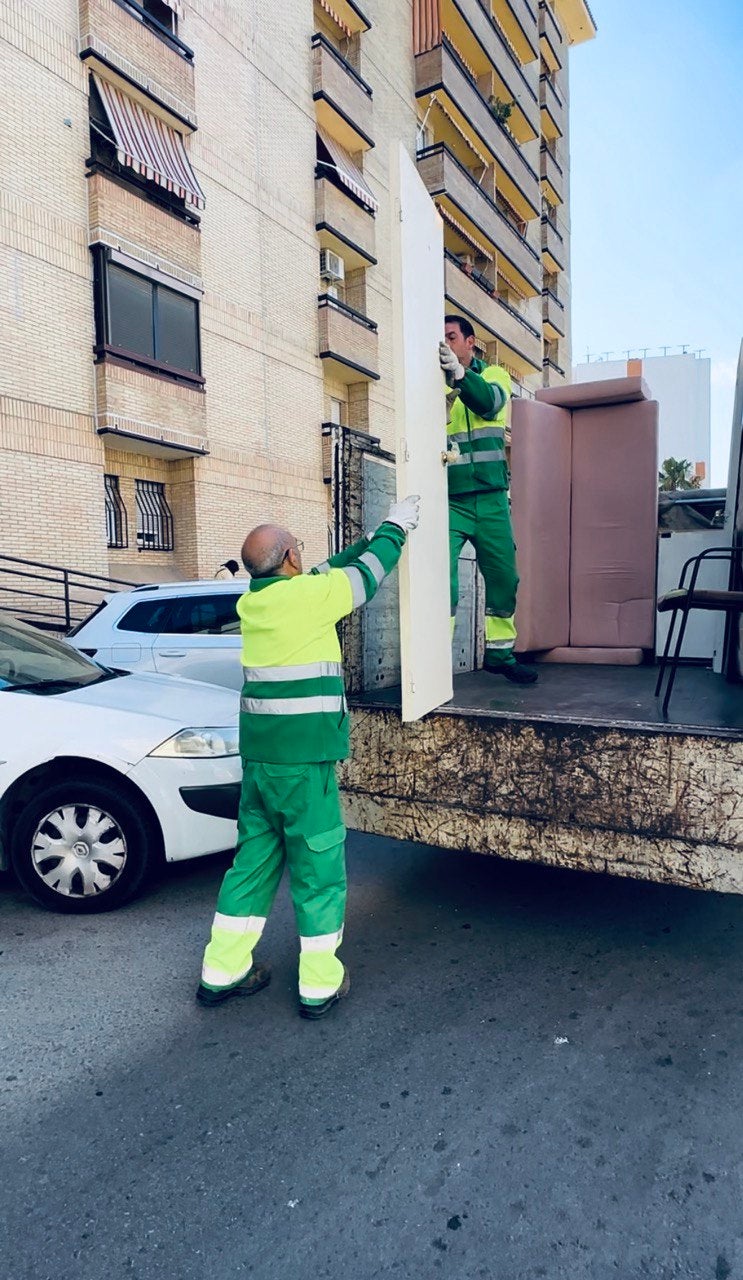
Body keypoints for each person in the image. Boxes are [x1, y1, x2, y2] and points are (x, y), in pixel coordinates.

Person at [196, 495, 421, 1019]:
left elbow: (326, 569)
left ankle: (221, 971)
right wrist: (395, 528)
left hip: (261, 763)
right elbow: (366, 576)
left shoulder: (256, 602)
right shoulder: (310, 598)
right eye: (298, 547)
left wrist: (363, 539)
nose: (304, 554)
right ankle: (319, 984)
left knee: (251, 866)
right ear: (290, 558)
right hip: (305, 763)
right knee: (318, 870)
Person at [439, 315, 537, 684]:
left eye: (451, 337)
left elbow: (490, 403)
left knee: (504, 578)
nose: (446, 344)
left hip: (493, 497)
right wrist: (447, 384)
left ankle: (499, 655)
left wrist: (460, 377)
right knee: (442, 581)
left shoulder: (494, 374)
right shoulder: (435, 383)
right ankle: (437, 661)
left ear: (470, 342)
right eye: (442, 338)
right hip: (451, 499)